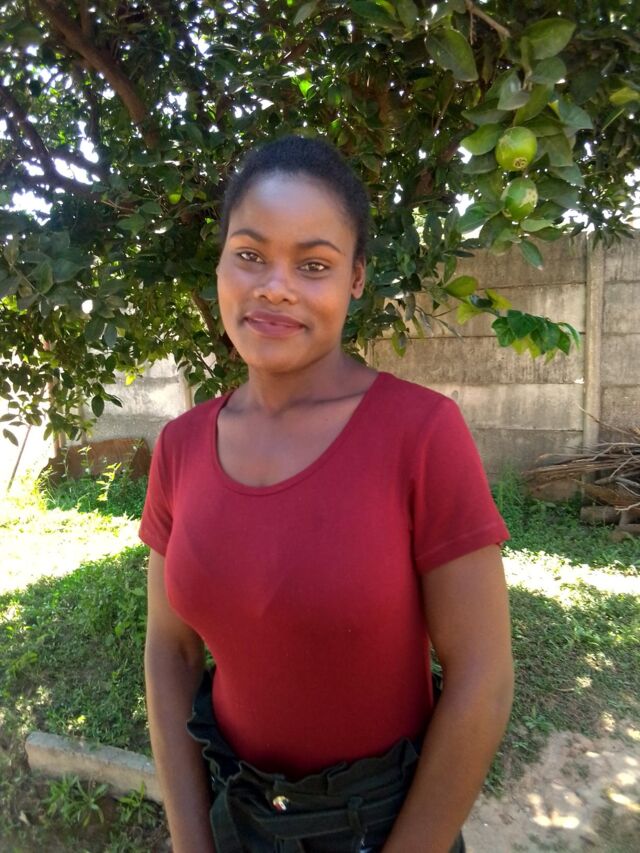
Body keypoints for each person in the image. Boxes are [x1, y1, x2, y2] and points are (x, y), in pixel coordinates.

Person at [140, 135, 514, 853]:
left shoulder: (420, 433)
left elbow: (482, 677)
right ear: (220, 264)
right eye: (250, 254)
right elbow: (171, 650)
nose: (275, 286)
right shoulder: (180, 446)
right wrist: (190, 839)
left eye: (313, 264)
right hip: (232, 811)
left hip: (378, 823)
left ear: (356, 278)